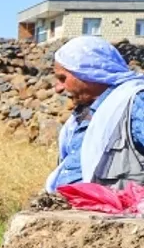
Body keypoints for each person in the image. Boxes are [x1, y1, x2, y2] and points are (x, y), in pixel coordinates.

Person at [45, 35, 144, 192]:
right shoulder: (82, 116)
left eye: (63, 78)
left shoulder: (134, 104)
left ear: (89, 73)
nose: (58, 88)